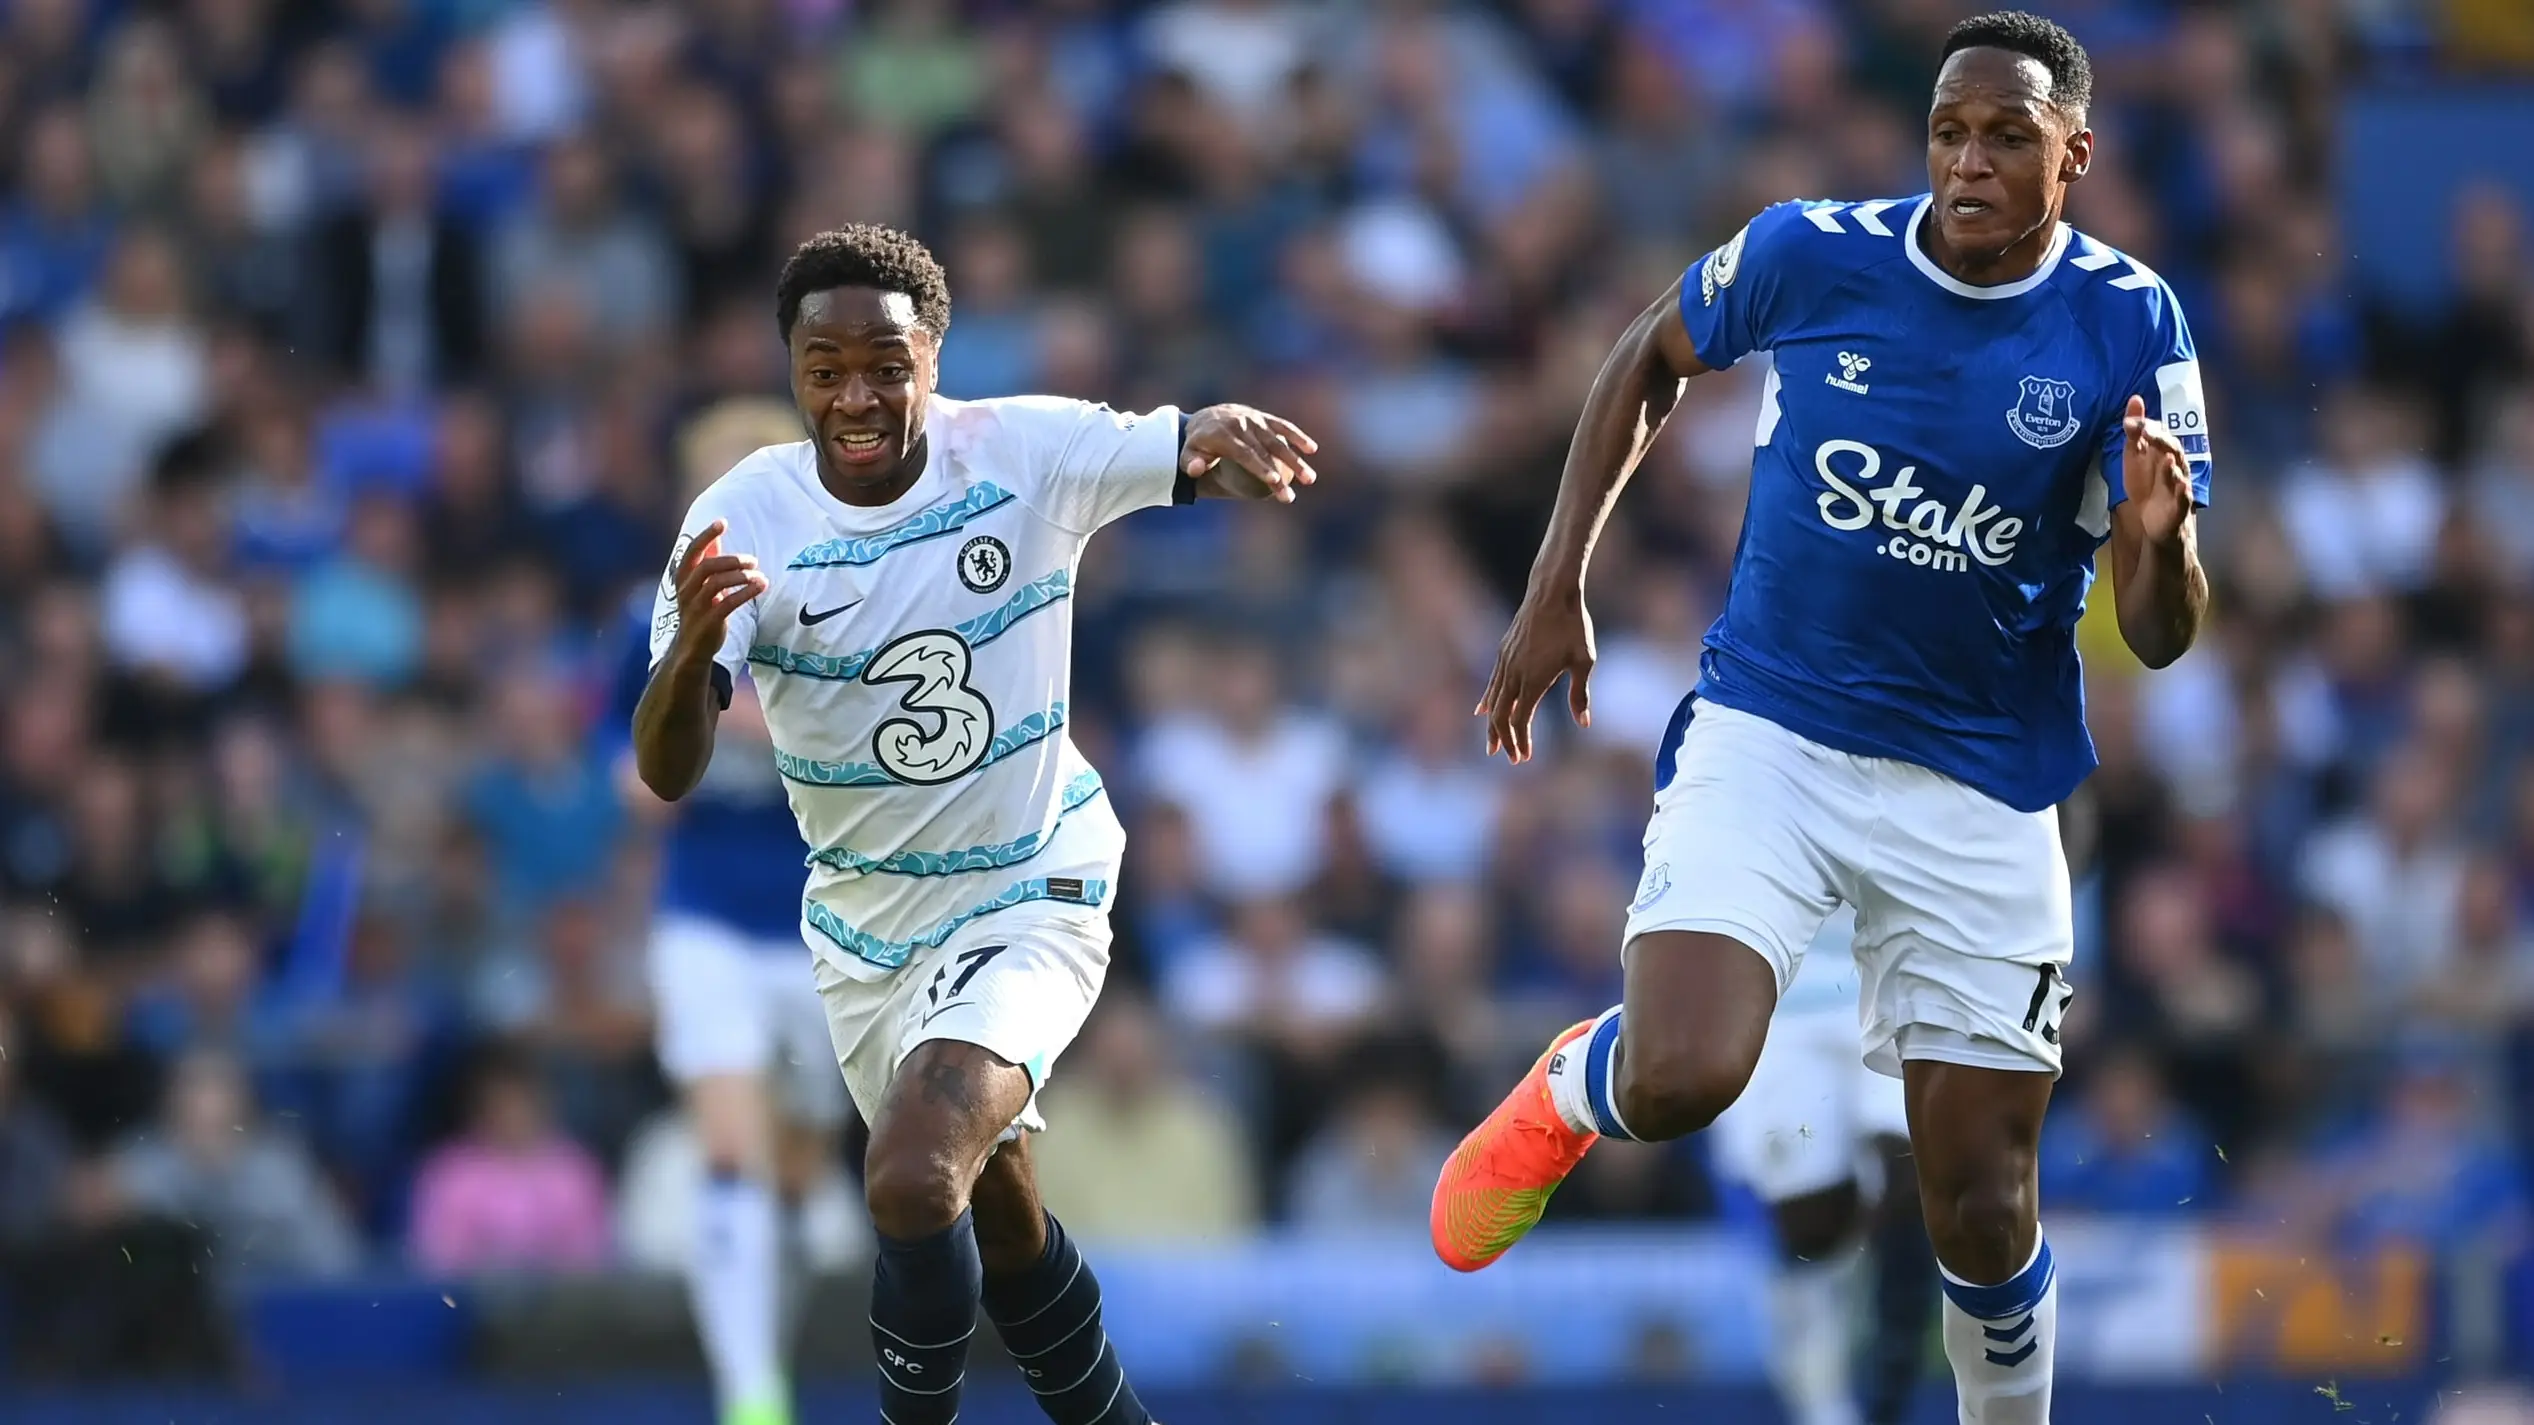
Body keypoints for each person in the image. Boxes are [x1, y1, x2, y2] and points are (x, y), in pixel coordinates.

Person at [1427, 14, 2212, 1425]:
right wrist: (1557, 586)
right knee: (1680, 1078)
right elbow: (1642, 355)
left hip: (1980, 780)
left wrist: (2159, 541)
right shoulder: (1813, 248)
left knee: (1977, 1200)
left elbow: (2158, 636)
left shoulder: (2129, 320)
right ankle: (1568, 1085)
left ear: (2072, 155)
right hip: (1771, 731)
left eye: (2006, 139)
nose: (1966, 162)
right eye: (1946, 132)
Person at [632, 222, 1318, 1425]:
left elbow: (1169, 445)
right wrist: (691, 648)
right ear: (789, 368)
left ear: (931, 358)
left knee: (907, 1172)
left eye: (885, 366)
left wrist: (1214, 436)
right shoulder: (738, 523)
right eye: (825, 368)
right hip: (865, 928)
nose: (856, 396)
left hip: (1031, 878)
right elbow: (669, 768)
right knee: (997, 1217)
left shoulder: (1019, 448)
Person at [608, 397, 842, 1425]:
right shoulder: (652, 618)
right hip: (704, 919)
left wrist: (750, 725)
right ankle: (749, 1393)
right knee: (731, 1149)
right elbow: (630, 778)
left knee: (799, 1172)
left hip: (829, 929)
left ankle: (767, 1358)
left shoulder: (847, 604)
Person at [1709, 908, 1934, 1425]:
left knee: (1910, 1173)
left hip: (1901, 964)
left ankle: (1887, 1400)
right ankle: (1825, 1386)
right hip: (1785, 989)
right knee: (1811, 1226)